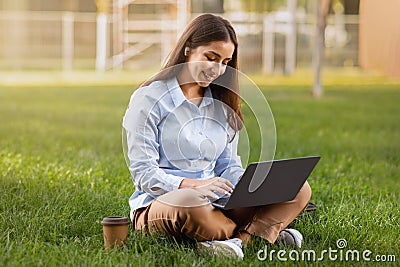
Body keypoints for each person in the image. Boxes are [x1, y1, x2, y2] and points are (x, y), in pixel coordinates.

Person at [122, 13, 311, 259]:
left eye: (224, 61)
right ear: (188, 48)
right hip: (165, 203)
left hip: (217, 203)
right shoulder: (148, 99)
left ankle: (239, 241)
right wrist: (192, 185)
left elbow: (228, 166)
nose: (217, 69)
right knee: (191, 203)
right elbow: (143, 173)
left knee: (299, 188)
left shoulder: (221, 103)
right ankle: (264, 232)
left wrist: (250, 188)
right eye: (210, 58)